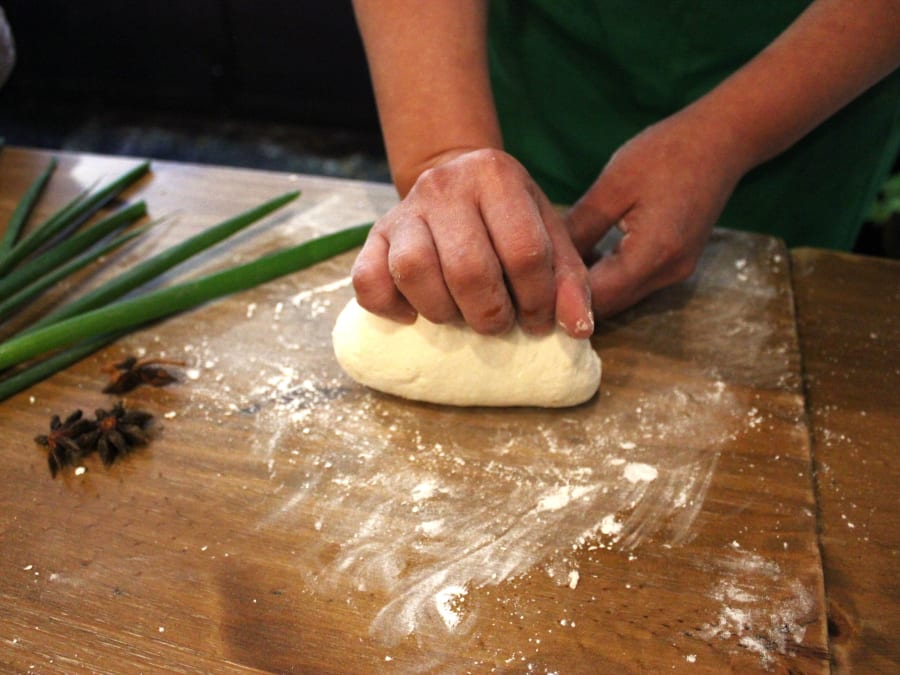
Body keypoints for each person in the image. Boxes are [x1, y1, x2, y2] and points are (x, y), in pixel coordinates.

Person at [349, 1, 900, 339]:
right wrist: (446, 151)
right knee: (487, 250)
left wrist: (730, 134)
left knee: (775, 314)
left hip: (811, 72)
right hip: (541, 59)